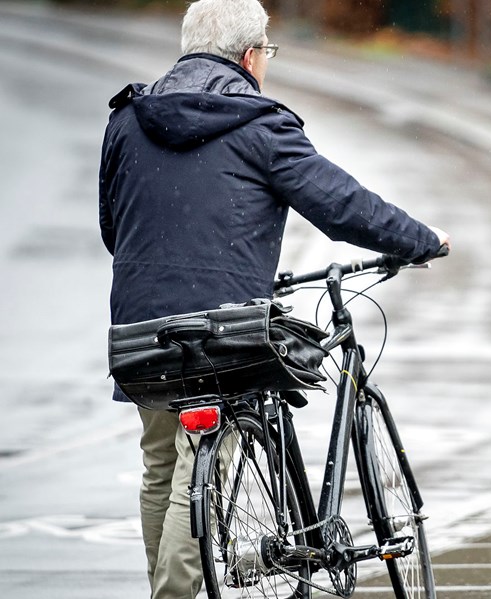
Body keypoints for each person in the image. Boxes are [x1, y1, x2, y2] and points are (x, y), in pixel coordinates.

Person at [97, 1, 450, 596]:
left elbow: (114, 228)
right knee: (196, 471)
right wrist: (418, 240)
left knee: (162, 469)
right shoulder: (259, 124)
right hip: (222, 330)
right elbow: (340, 205)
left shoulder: (128, 119)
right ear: (251, 56)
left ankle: (164, 587)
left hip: (140, 330)